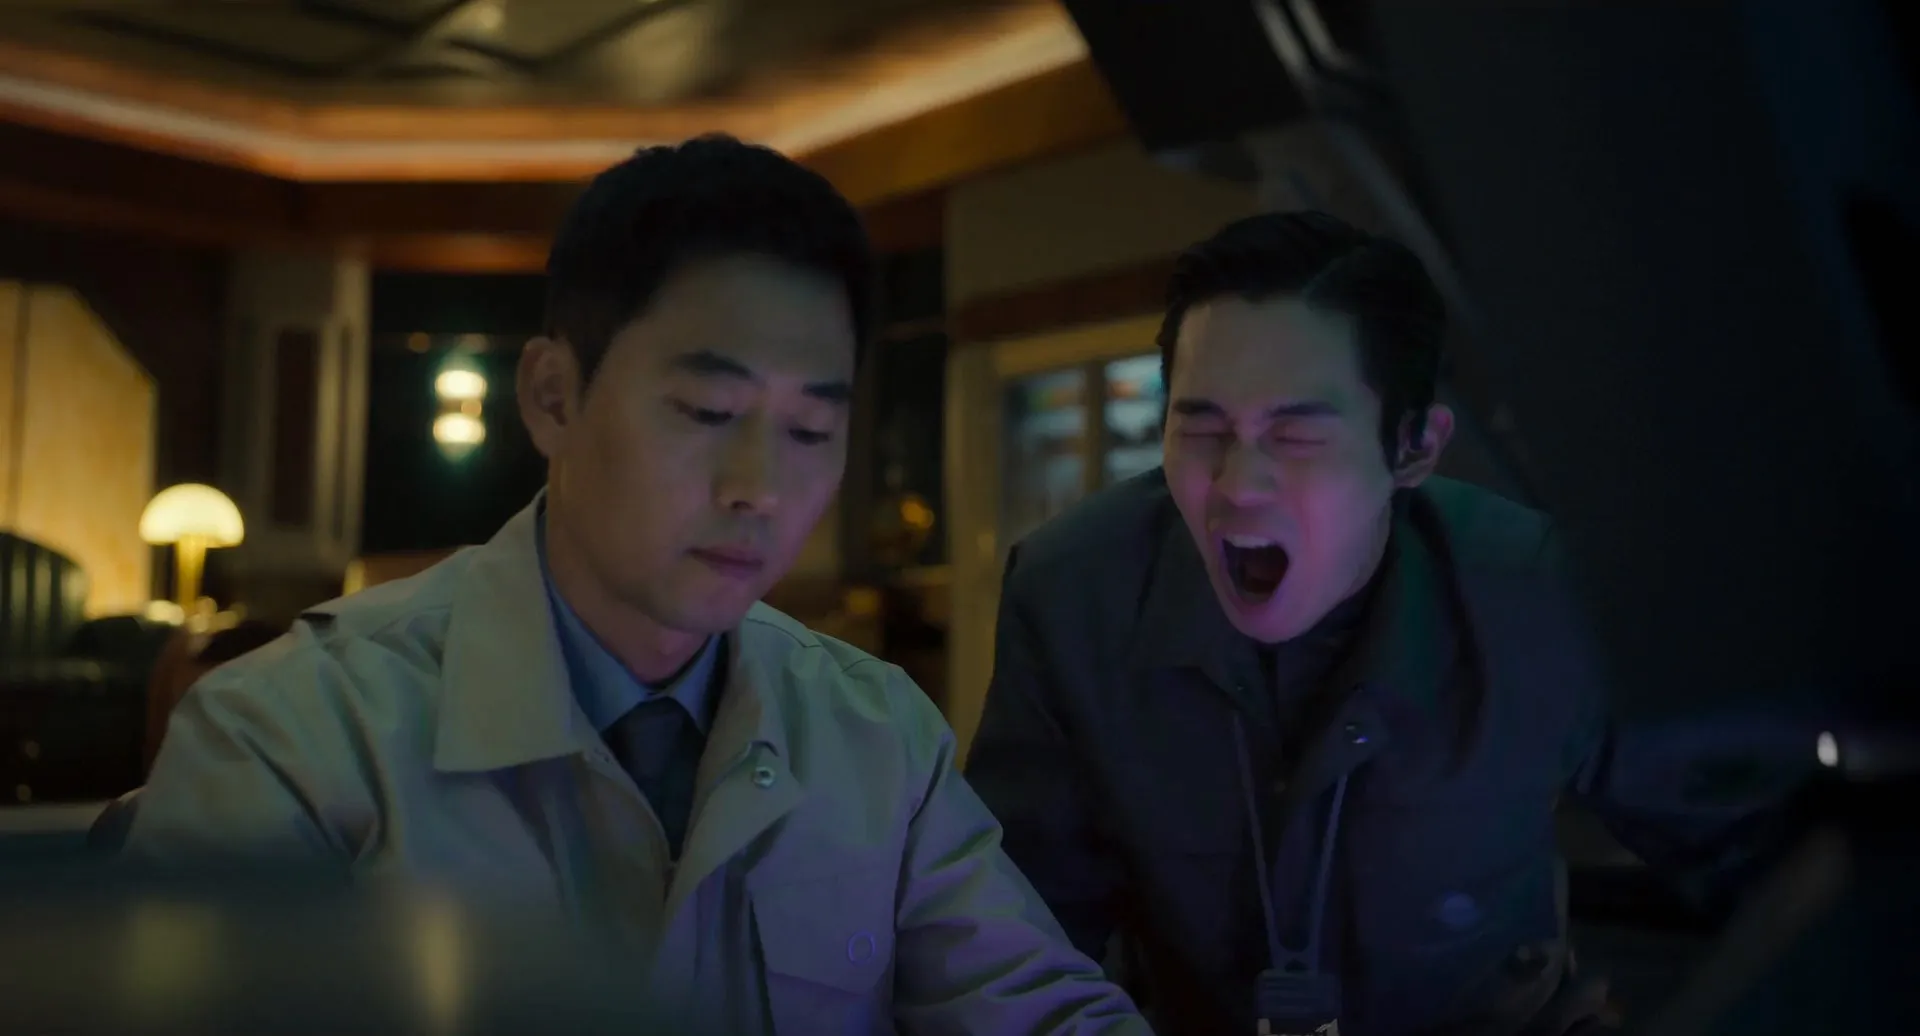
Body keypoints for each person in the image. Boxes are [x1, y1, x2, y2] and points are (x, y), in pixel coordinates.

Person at [128, 136, 1149, 1035]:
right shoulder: (295, 738)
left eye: (811, 430)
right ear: (552, 397)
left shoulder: (875, 734)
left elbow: (1036, 1005)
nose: (760, 487)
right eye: (706, 411)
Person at [966, 211, 1815, 1036]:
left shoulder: (1537, 596)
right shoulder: (1075, 597)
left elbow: (1770, 862)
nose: (1236, 484)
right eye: (1202, 427)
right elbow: (1012, 947)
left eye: (1295, 435)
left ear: (1414, 447)